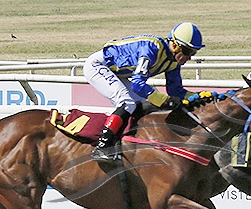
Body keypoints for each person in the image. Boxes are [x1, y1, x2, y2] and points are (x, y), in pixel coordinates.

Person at [83, 22, 205, 162]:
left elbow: (175, 92)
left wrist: (198, 96)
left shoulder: (173, 62)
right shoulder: (151, 49)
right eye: (188, 52)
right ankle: (101, 147)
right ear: (175, 45)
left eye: (193, 53)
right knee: (127, 103)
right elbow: (137, 84)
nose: (189, 57)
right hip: (98, 65)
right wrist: (164, 100)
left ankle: (126, 143)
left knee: (141, 105)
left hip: (117, 72)